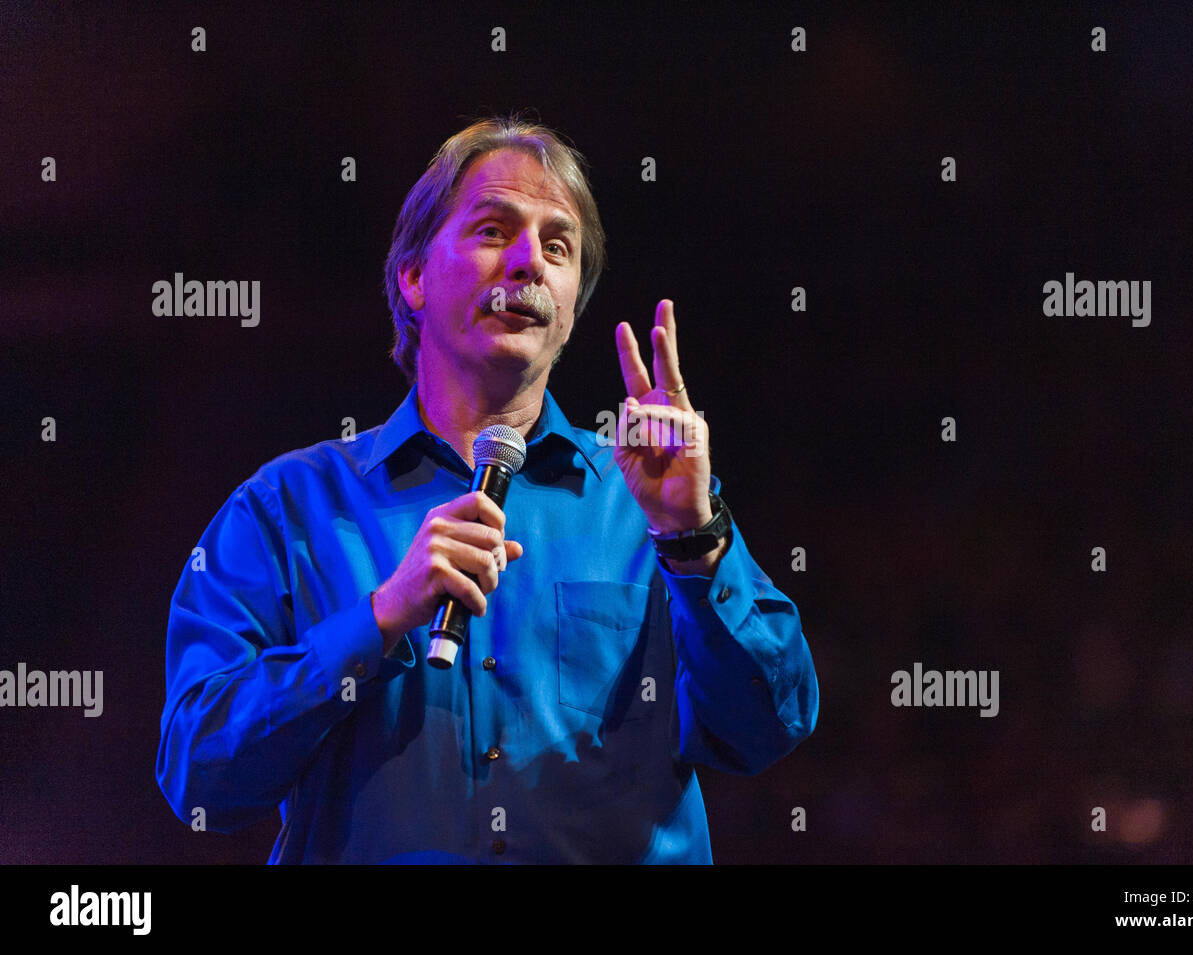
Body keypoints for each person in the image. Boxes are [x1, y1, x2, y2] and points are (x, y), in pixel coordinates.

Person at [156, 115, 819, 863]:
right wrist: (377, 621)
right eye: (494, 231)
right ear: (413, 277)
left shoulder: (652, 507)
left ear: (570, 313)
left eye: (558, 246)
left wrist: (696, 543)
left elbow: (768, 726)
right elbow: (199, 776)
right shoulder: (287, 510)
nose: (529, 261)